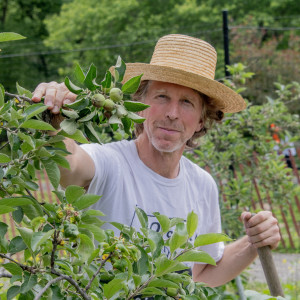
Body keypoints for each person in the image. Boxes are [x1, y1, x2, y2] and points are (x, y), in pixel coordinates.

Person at [32, 34, 280, 287]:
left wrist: (253, 242)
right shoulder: (110, 163)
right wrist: (53, 121)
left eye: (186, 102)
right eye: (161, 97)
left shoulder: (202, 184)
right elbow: (71, 167)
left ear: (202, 120)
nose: (172, 113)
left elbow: (201, 275)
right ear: (139, 105)